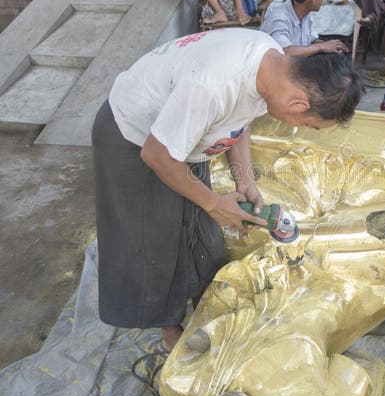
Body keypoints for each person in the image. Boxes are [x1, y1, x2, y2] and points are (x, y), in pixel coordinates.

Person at [91, 28, 363, 353]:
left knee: (198, 227)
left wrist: (244, 179)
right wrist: (213, 204)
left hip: (182, 138)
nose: (298, 128)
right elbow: (157, 155)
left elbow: (241, 119)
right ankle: (170, 331)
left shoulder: (272, 65)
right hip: (135, 136)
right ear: (298, 103)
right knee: (155, 237)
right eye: (307, 124)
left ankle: (204, 305)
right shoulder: (214, 85)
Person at [261, 0, 348, 57]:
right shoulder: (279, 17)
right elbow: (285, 51)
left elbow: (310, 41)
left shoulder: (305, 13)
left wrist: (332, 45)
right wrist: (321, 46)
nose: (323, 0)